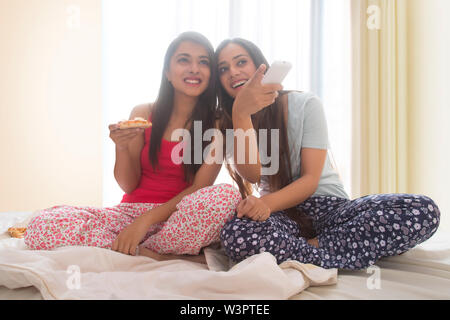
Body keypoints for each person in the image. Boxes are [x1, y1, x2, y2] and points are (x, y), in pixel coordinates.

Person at [215, 38, 441, 270]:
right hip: (281, 215)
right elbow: (252, 175)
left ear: (259, 67)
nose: (233, 72)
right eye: (223, 69)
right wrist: (241, 115)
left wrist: (265, 204)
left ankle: (309, 250)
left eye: (241, 62)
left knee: (423, 210)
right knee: (236, 233)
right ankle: (335, 251)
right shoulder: (232, 122)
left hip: (331, 209)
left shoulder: (305, 103)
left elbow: (310, 179)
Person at [24, 32, 241, 263]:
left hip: (178, 218)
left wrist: (145, 222)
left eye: (203, 62)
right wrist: (121, 148)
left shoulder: (217, 124)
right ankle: (152, 253)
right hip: (128, 214)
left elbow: (199, 188)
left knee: (226, 196)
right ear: (167, 72)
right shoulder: (142, 114)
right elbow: (128, 184)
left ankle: (143, 248)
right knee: (42, 224)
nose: (194, 68)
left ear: (211, 76)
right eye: (184, 60)